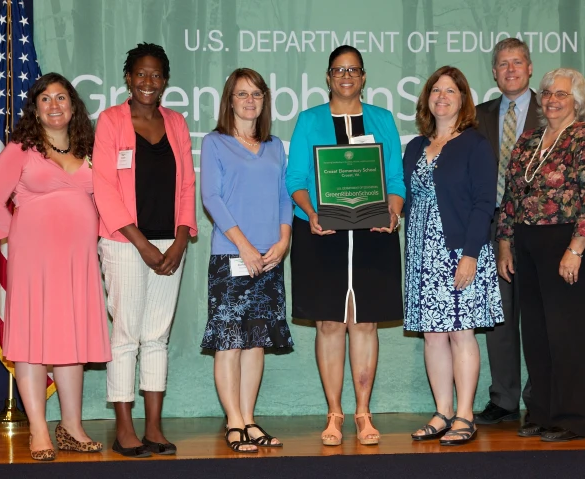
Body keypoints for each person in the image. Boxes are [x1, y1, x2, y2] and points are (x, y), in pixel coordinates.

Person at [0, 73, 110, 461]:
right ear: (35, 109)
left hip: (79, 260)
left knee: (72, 343)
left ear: (73, 107)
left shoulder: (88, 147)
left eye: (61, 98)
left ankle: (71, 427)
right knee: (33, 341)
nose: (55, 106)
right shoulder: (21, 148)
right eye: (45, 100)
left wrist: (96, 234)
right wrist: (15, 236)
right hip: (34, 259)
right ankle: (39, 428)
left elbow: (104, 199)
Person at [285, 45, 405, 447]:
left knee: (366, 323)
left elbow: (396, 180)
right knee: (330, 324)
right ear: (328, 76)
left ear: (364, 76)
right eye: (339, 69)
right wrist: (311, 212)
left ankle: (363, 413)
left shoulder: (383, 119)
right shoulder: (309, 120)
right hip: (322, 234)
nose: (346, 75)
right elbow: (296, 178)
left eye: (353, 69)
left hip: (373, 235)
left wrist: (393, 212)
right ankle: (335, 413)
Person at [93, 43, 197, 458]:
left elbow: (188, 184)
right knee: (126, 337)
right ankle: (124, 429)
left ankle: (154, 428)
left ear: (165, 80)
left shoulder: (176, 123)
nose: (148, 82)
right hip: (124, 243)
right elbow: (104, 187)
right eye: (141, 74)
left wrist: (182, 238)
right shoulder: (111, 121)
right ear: (128, 78)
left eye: (156, 75)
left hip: (170, 244)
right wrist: (141, 245)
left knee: (156, 337)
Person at [497, 67, 585, 442]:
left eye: (561, 94)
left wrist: (576, 249)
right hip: (527, 245)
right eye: (547, 93)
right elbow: (512, 198)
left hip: (569, 245)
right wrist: (504, 243)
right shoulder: (529, 140)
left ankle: (572, 418)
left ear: (576, 101)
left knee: (568, 334)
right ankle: (542, 412)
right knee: (537, 333)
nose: (551, 100)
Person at [403, 66, 503, 446]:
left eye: (450, 90)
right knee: (433, 335)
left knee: (461, 333)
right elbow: (404, 198)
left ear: (463, 99)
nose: (442, 96)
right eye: (435, 90)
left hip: (460, 251)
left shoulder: (475, 144)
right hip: (420, 255)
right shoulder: (415, 147)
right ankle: (442, 411)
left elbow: (483, 203)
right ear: (427, 99)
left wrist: (470, 254)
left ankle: (464, 414)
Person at [200, 68, 294, 453]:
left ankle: (249, 418)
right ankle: (233, 421)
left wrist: (284, 239)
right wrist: (243, 246)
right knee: (229, 341)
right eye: (242, 94)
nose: (250, 100)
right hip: (231, 256)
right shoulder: (214, 142)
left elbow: (285, 198)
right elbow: (212, 198)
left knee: (256, 341)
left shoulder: (274, 146)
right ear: (230, 100)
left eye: (256, 93)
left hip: (270, 258)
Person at [474, 37, 539, 425]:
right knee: (498, 315)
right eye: (502, 64)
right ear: (494, 73)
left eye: (517, 62)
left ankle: (538, 398)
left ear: (530, 68)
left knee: (535, 315)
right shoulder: (478, 116)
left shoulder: (551, 111)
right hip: (490, 224)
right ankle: (504, 398)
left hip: (537, 228)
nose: (510, 69)